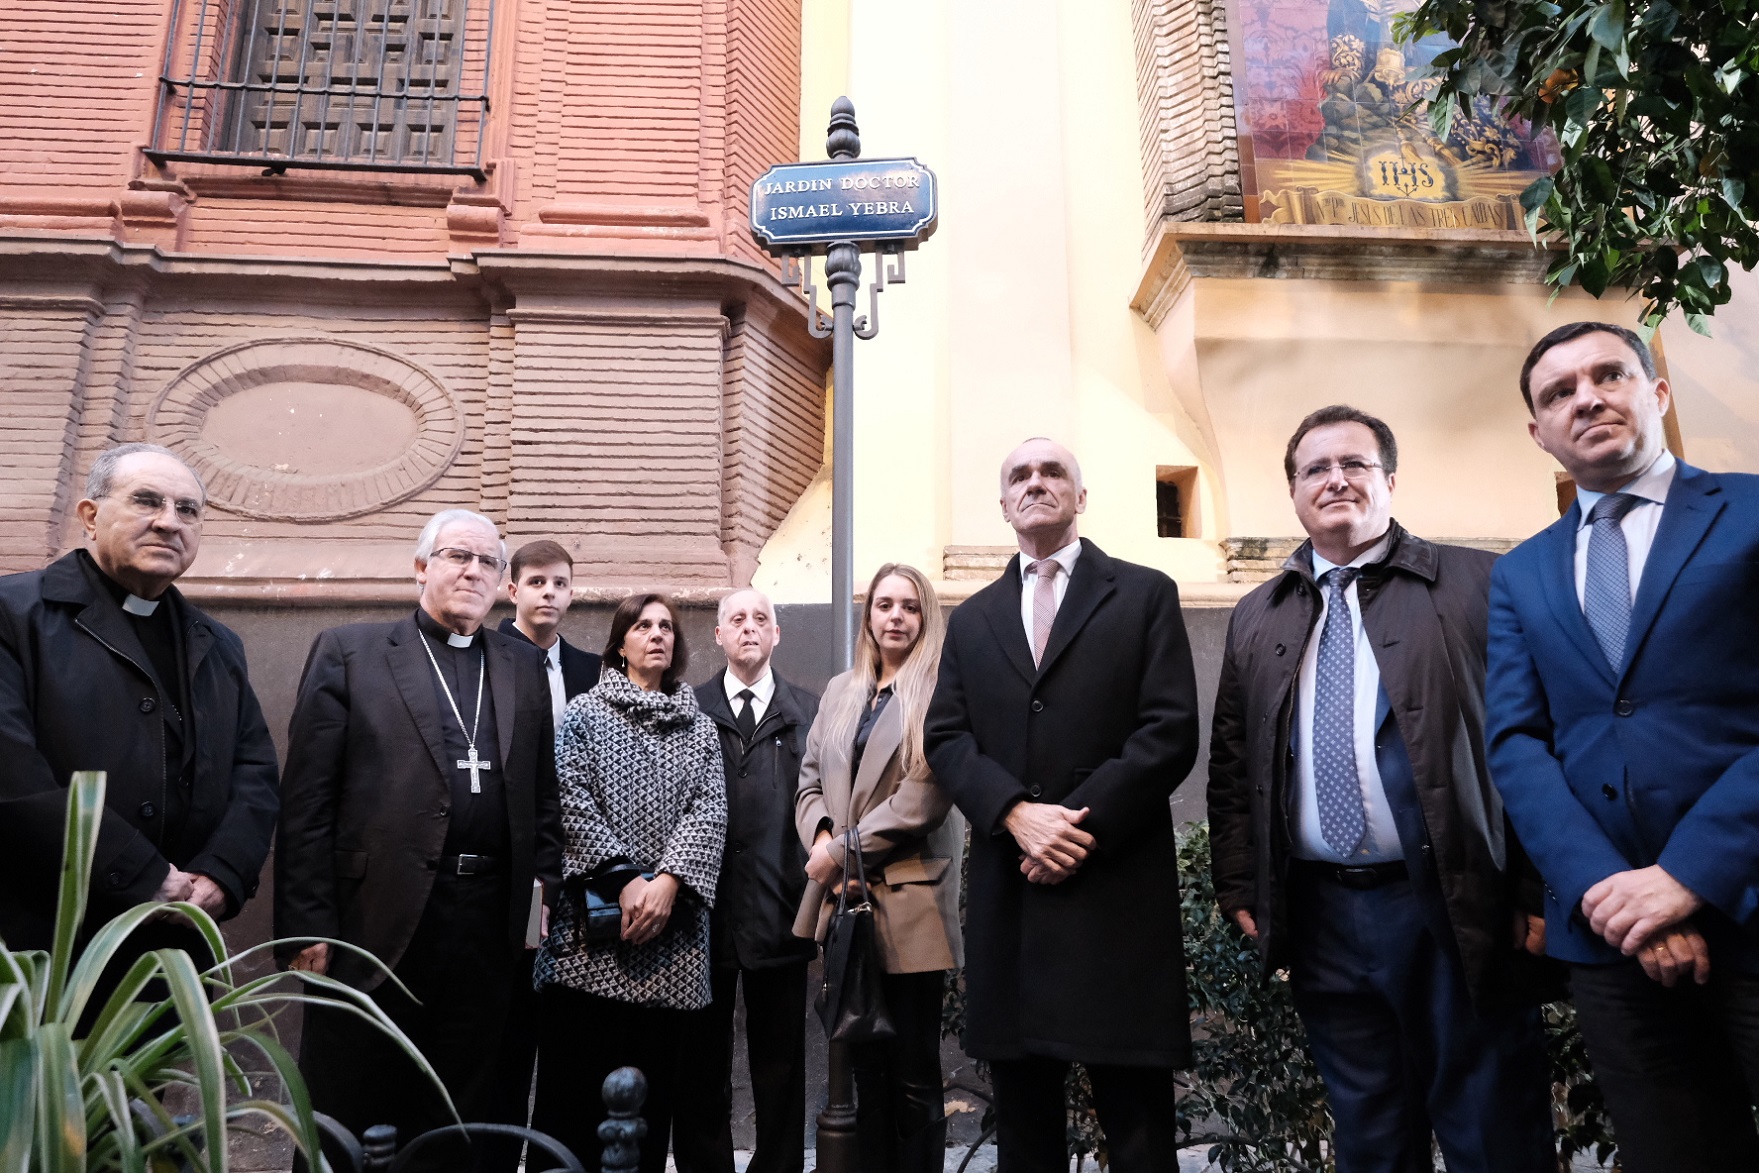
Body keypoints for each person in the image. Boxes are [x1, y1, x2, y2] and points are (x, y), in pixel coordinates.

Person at [1207, 406, 1555, 1173]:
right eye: (1315, 468)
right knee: (1368, 1133)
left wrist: (1536, 885)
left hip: (1457, 905)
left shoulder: (1477, 582)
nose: (1335, 478)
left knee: (1490, 1125)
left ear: (1389, 480)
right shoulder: (1254, 613)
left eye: (1355, 464)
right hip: (1322, 911)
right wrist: (1239, 879)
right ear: (1293, 492)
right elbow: (1232, 759)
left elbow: (1536, 736)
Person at [1488, 321, 1759, 1173]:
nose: (1587, 397)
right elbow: (1516, 742)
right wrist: (1611, 891)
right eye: (1558, 392)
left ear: (1657, 392)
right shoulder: (1520, 572)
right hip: (1610, 939)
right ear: (1538, 433)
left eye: (1608, 374)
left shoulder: (1750, 510)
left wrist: (1684, 877)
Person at [925, 438, 1199, 1173]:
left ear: (1081, 497)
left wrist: (1071, 825)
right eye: (1019, 473)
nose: (1035, 482)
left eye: (1053, 473)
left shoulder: (1144, 593)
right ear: (1004, 502)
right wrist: (1017, 815)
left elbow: (1169, 729)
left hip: (1114, 898)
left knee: (1139, 1129)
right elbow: (946, 737)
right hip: (1013, 908)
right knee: (1024, 1131)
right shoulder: (972, 617)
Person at [275, 508, 562, 1167]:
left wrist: (539, 897)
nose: (473, 570)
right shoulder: (351, 650)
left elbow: (542, 799)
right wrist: (304, 921)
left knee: (464, 1103)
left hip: (487, 923)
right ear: (420, 567)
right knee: (350, 1099)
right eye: (458, 555)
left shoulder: (519, 664)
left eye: (488, 561)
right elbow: (307, 799)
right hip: (373, 919)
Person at [0, 442, 279, 953]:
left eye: (187, 509)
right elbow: (11, 770)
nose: (169, 522)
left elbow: (254, 771)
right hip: (45, 941)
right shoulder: (13, 614)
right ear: (90, 515)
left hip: (177, 940)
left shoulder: (218, 643)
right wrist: (135, 869)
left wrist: (223, 872)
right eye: (147, 501)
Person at [531, 593, 727, 1173]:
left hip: (671, 937)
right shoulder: (585, 715)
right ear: (620, 642)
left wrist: (667, 882)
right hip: (592, 938)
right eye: (643, 626)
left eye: (666, 626)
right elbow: (571, 802)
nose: (657, 635)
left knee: (651, 1096)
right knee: (574, 1092)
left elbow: (709, 811)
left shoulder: (699, 726)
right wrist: (624, 883)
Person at [794, 564, 964, 1173]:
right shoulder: (843, 690)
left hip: (910, 901)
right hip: (843, 900)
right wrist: (819, 838)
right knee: (863, 1064)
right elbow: (810, 777)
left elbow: (923, 799)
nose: (896, 616)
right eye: (885, 604)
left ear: (925, 618)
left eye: (910, 607)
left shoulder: (941, 690)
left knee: (914, 1067)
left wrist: (837, 853)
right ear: (868, 615)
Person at [676, 588, 819, 1173]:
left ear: (778, 634)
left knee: (781, 1061)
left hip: (781, 907)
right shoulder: (687, 708)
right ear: (717, 634)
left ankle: (779, 1165)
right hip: (701, 915)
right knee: (699, 1060)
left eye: (762, 619)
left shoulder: (807, 711)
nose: (750, 628)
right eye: (736, 619)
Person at [485, 538, 601, 1172]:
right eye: (536, 583)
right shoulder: (489, 656)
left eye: (559, 583)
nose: (548, 593)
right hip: (520, 878)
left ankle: (556, 1161)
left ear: (572, 593)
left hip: (582, 874)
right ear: (514, 590)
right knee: (513, 1021)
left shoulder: (590, 670)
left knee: (568, 1025)